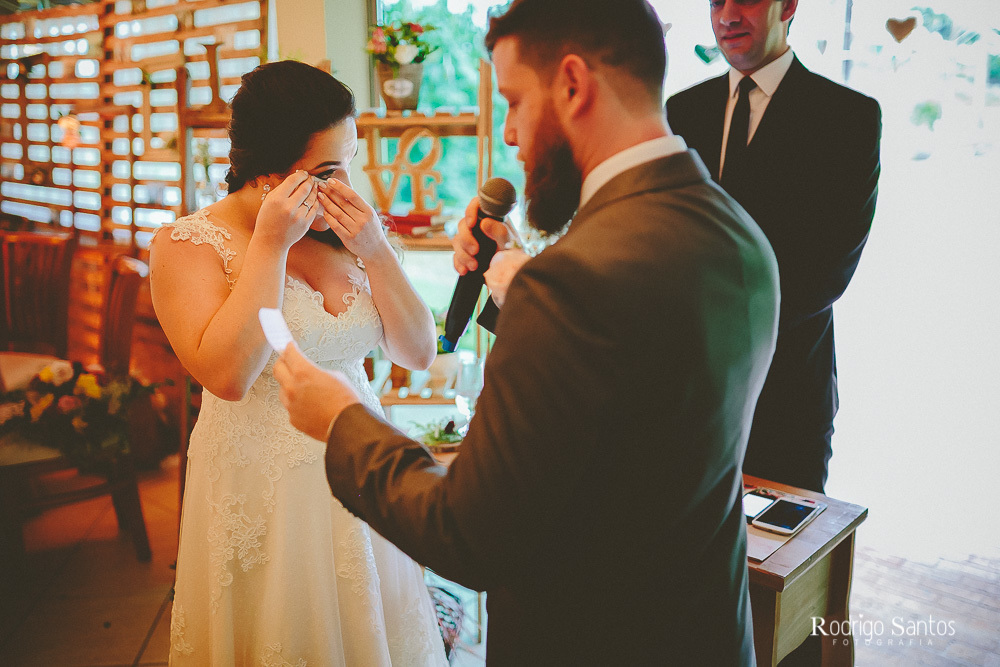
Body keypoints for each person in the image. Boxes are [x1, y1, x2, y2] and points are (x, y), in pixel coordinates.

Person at [275, 1, 779, 663]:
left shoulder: (573, 285)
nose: (509, 135)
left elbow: (469, 532)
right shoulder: (736, 232)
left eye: (514, 101)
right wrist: (521, 278)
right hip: (704, 630)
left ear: (573, 84)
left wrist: (342, 419)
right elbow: (636, 376)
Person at [149, 60, 447, 666]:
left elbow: (417, 352)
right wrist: (270, 244)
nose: (342, 186)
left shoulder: (346, 229)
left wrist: (377, 251)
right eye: (326, 170)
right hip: (262, 490)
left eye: (348, 163)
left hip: (360, 468)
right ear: (267, 172)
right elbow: (227, 376)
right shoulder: (188, 244)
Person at [666, 0, 882, 494]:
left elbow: (823, 273)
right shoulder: (682, 110)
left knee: (780, 565)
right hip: (684, 400)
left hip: (786, 399)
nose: (727, 16)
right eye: (717, 1)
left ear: (788, 5)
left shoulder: (847, 117)